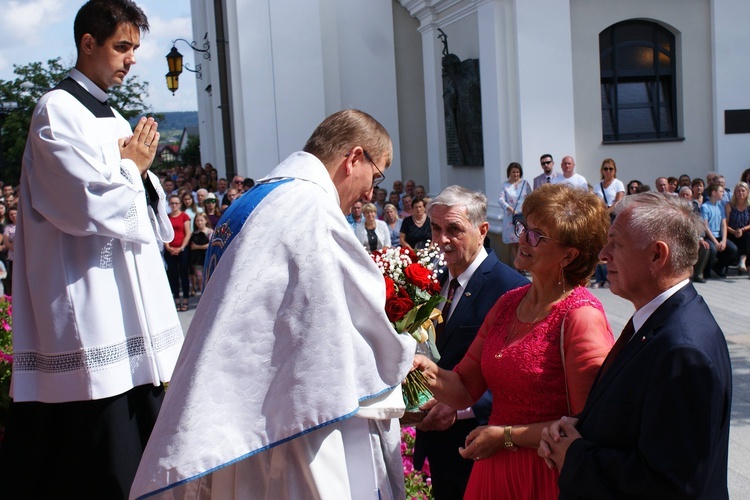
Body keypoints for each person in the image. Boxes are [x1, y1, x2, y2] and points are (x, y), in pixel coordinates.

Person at [131, 109, 414, 499]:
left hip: (245, 412)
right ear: (354, 158)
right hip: (305, 422)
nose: (370, 193)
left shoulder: (256, 201)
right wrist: (405, 356)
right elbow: (359, 317)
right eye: (376, 175)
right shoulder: (311, 208)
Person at [0, 2, 184, 498]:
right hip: (90, 304)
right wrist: (132, 169)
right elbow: (78, 204)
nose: (130, 60)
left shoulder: (110, 112)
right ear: (88, 44)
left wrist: (138, 172)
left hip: (129, 307)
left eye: (134, 50)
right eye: (121, 48)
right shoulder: (56, 112)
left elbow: (148, 207)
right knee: (100, 461)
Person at [412, 183, 614, 499]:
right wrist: (419, 367)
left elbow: (585, 426)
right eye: (524, 228)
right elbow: (464, 387)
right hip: (493, 470)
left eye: (537, 235)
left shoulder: (581, 317)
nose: (522, 239)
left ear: (569, 255)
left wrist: (506, 436)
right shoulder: (508, 303)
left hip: (544, 475)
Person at [539, 192, 733, 499]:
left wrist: (575, 454)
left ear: (657, 255)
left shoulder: (682, 350)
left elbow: (669, 485)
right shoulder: (660, 321)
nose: (603, 254)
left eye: (616, 243)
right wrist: (578, 430)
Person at [414, 185, 528, 499]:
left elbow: (519, 373)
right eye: (436, 229)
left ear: (482, 230)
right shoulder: (433, 281)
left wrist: (461, 408)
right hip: (436, 440)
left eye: (454, 230)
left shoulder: (511, 288)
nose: (442, 240)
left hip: (481, 442)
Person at [497, 162, 531, 267]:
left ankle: (523, 264)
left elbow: (530, 197)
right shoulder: (505, 185)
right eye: (513, 172)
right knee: (513, 242)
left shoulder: (525, 184)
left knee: (522, 241)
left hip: (523, 216)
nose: (515, 174)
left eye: (517, 172)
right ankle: (517, 266)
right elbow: (500, 199)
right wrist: (509, 208)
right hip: (510, 218)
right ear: (509, 173)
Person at [702, 183, 737, 278]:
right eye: (721, 191)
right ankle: (706, 271)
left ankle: (718, 267)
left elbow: (723, 224)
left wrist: (724, 241)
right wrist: (715, 242)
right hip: (709, 236)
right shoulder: (705, 207)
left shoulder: (720, 207)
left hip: (719, 236)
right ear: (714, 192)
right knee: (712, 249)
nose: (723, 193)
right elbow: (705, 226)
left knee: (733, 249)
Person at [165, 195, 191, 311]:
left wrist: (181, 247)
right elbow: (164, 233)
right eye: (172, 203)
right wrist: (168, 247)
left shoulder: (184, 216)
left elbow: (188, 233)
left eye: (176, 203)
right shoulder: (166, 217)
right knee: (173, 275)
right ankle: (176, 299)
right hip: (170, 249)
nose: (174, 205)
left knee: (183, 274)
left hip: (182, 249)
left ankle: (185, 299)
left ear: (180, 204)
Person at [726, 181, 750, 275]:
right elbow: (725, 223)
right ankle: (745, 265)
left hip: (745, 232)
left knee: (748, 237)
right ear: (735, 193)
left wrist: (742, 230)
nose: (741, 193)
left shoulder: (749, 206)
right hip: (731, 233)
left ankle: (743, 262)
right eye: (738, 191)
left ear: (747, 192)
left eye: (743, 191)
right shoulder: (730, 205)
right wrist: (734, 231)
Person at [189, 212, 213, 294]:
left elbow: (211, 244)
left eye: (201, 220)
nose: (199, 222)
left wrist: (198, 247)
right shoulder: (194, 234)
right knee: (200, 278)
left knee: (209, 277)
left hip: (208, 257)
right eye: (197, 221)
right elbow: (192, 246)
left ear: (206, 220)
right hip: (197, 259)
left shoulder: (210, 232)